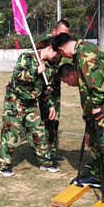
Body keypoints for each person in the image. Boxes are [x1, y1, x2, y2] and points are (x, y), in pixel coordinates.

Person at [52, 33, 104, 201]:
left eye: (61, 54)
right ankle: (97, 175)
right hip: (97, 106)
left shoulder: (84, 51)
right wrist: (88, 111)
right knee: (95, 141)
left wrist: (97, 106)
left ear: (62, 49)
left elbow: (96, 80)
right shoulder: (80, 53)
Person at [0, 38, 59, 176]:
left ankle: (45, 162)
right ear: (49, 49)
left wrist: (51, 106)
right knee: (11, 133)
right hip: (15, 101)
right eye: (56, 52)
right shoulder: (27, 57)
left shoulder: (49, 66)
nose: (57, 56)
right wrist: (36, 71)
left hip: (31, 103)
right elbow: (18, 76)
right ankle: (2, 166)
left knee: (38, 132)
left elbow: (47, 87)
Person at [39, 19, 71, 164]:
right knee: (46, 121)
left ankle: (52, 151)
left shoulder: (62, 44)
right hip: (45, 89)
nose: (65, 36)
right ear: (54, 31)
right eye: (63, 33)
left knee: (54, 120)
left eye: (68, 34)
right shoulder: (46, 43)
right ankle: (45, 153)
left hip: (55, 88)